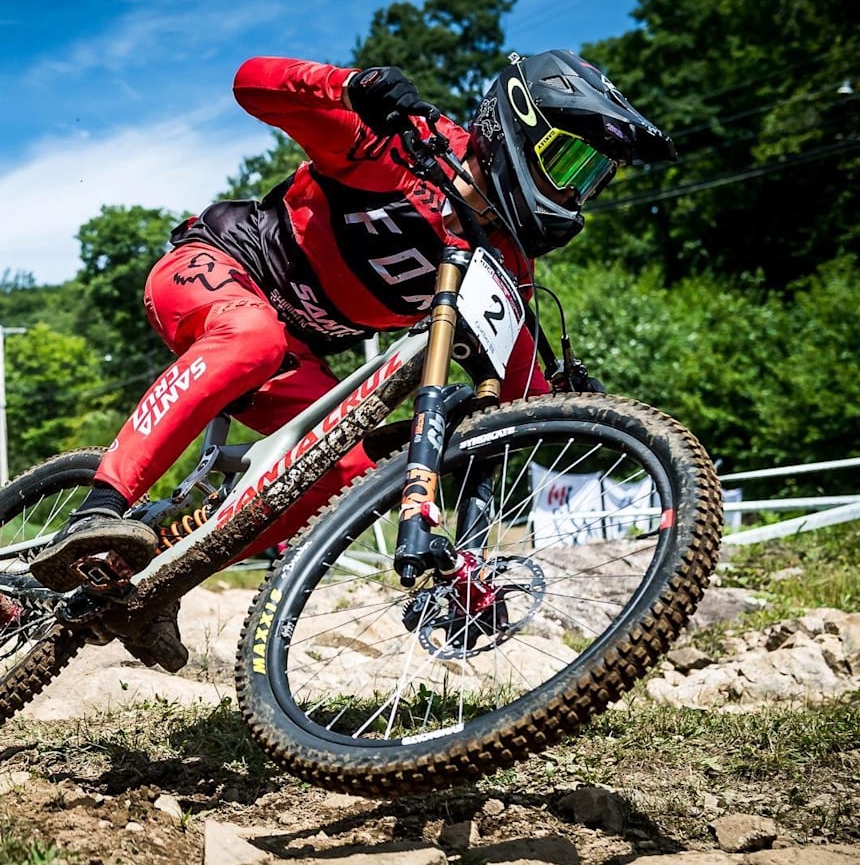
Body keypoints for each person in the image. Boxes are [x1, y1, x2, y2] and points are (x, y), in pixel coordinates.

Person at [31, 49, 675, 596]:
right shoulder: (404, 149)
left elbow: (517, 399)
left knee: (335, 471)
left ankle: (155, 586)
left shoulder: (504, 257)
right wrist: (348, 86)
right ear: (516, 128)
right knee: (252, 335)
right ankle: (99, 509)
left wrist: (564, 404)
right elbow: (251, 82)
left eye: (589, 180)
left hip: (294, 351)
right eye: (566, 165)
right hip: (219, 267)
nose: (570, 193)